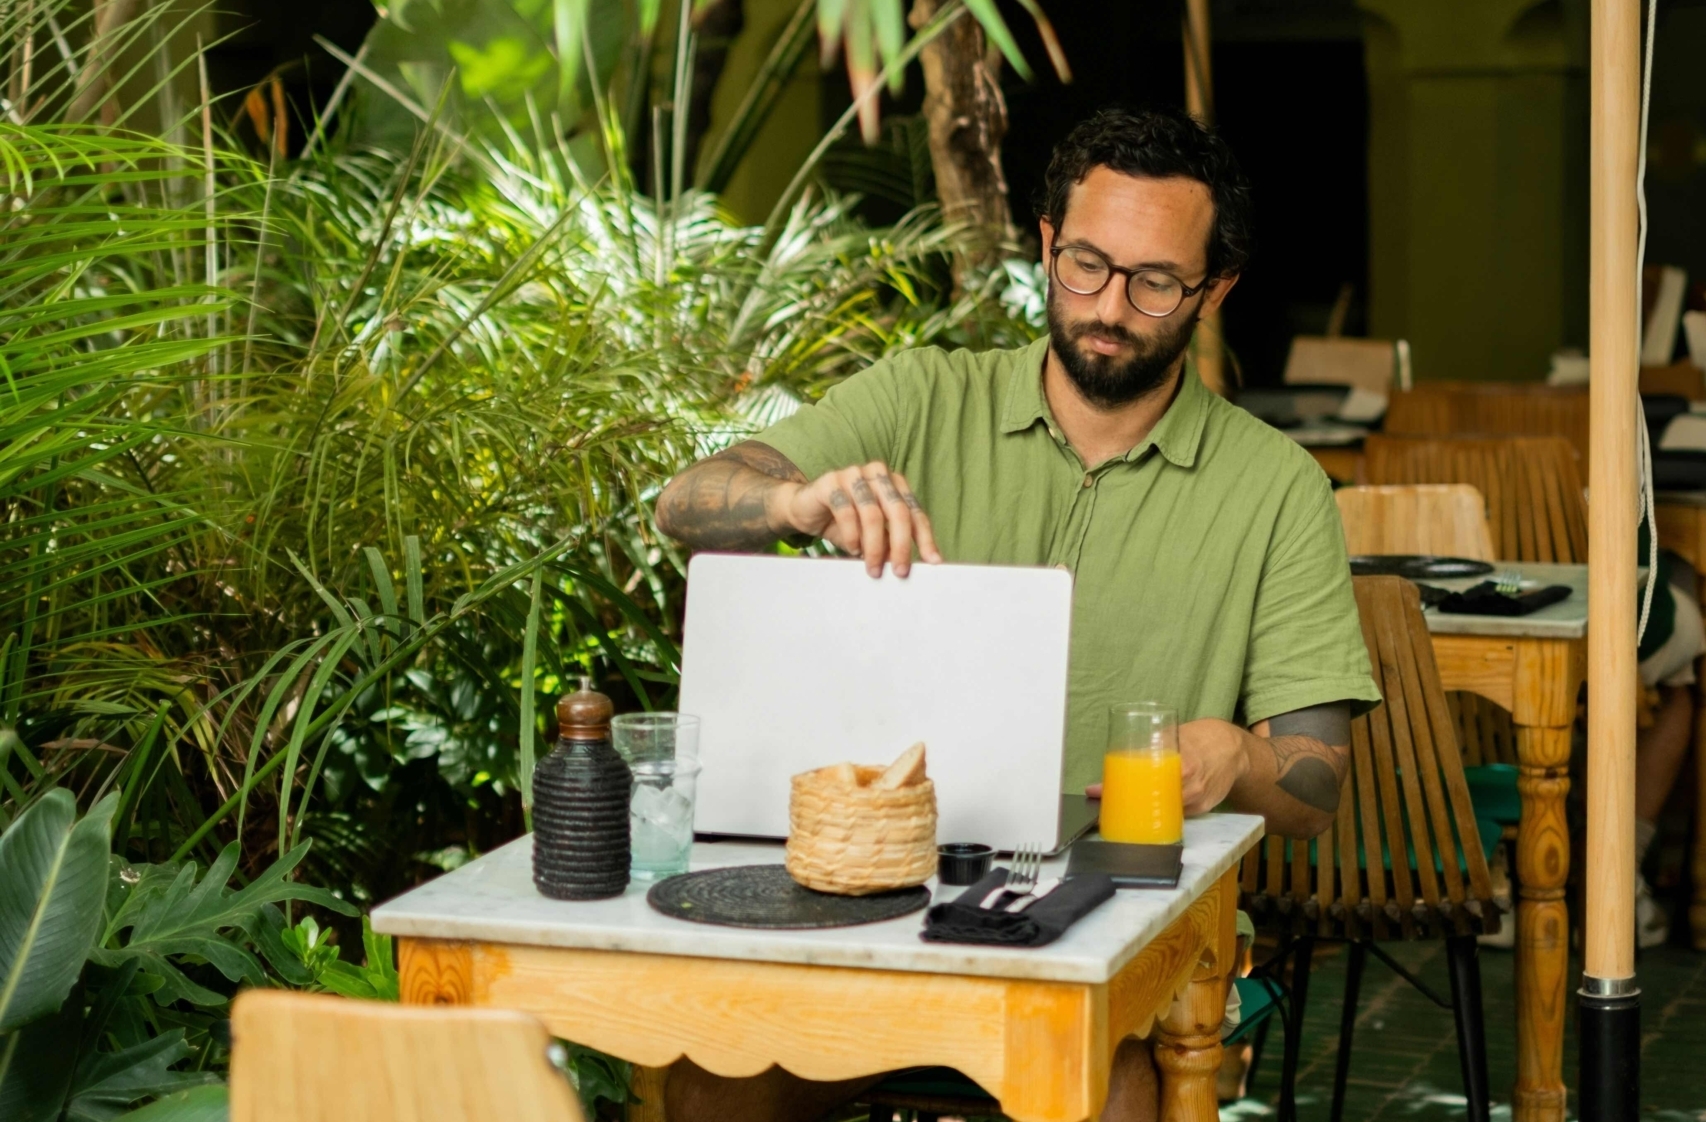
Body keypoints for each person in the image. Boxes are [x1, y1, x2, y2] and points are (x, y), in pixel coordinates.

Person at [654, 105, 1383, 1122]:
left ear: (1215, 289)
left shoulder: (1277, 487)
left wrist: (1237, 758)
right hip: (871, 901)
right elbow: (682, 502)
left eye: (1155, 281)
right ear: (1046, 245)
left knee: (1109, 1087)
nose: (1109, 307)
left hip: (1108, 926)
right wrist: (789, 501)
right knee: (713, 1080)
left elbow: (1316, 784)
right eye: (1085, 263)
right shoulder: (921, 396)